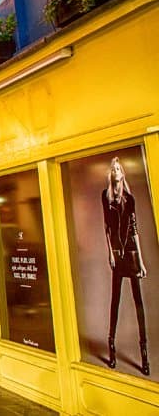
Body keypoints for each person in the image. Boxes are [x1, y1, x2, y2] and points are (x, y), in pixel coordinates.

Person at [102, 156, 149, 375]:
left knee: (138, 303)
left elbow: (135, 229)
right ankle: (111, 348)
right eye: (113, 169)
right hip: (118, 256)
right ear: (111, 175)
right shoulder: (106, 197)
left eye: (119, 169)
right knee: (115, 302)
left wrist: (140, 261)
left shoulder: (129, 199)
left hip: (130, 253)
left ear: (123, 174)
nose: (116, 172)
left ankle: (144, 355)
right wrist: (110, 253)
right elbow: (107, 227)